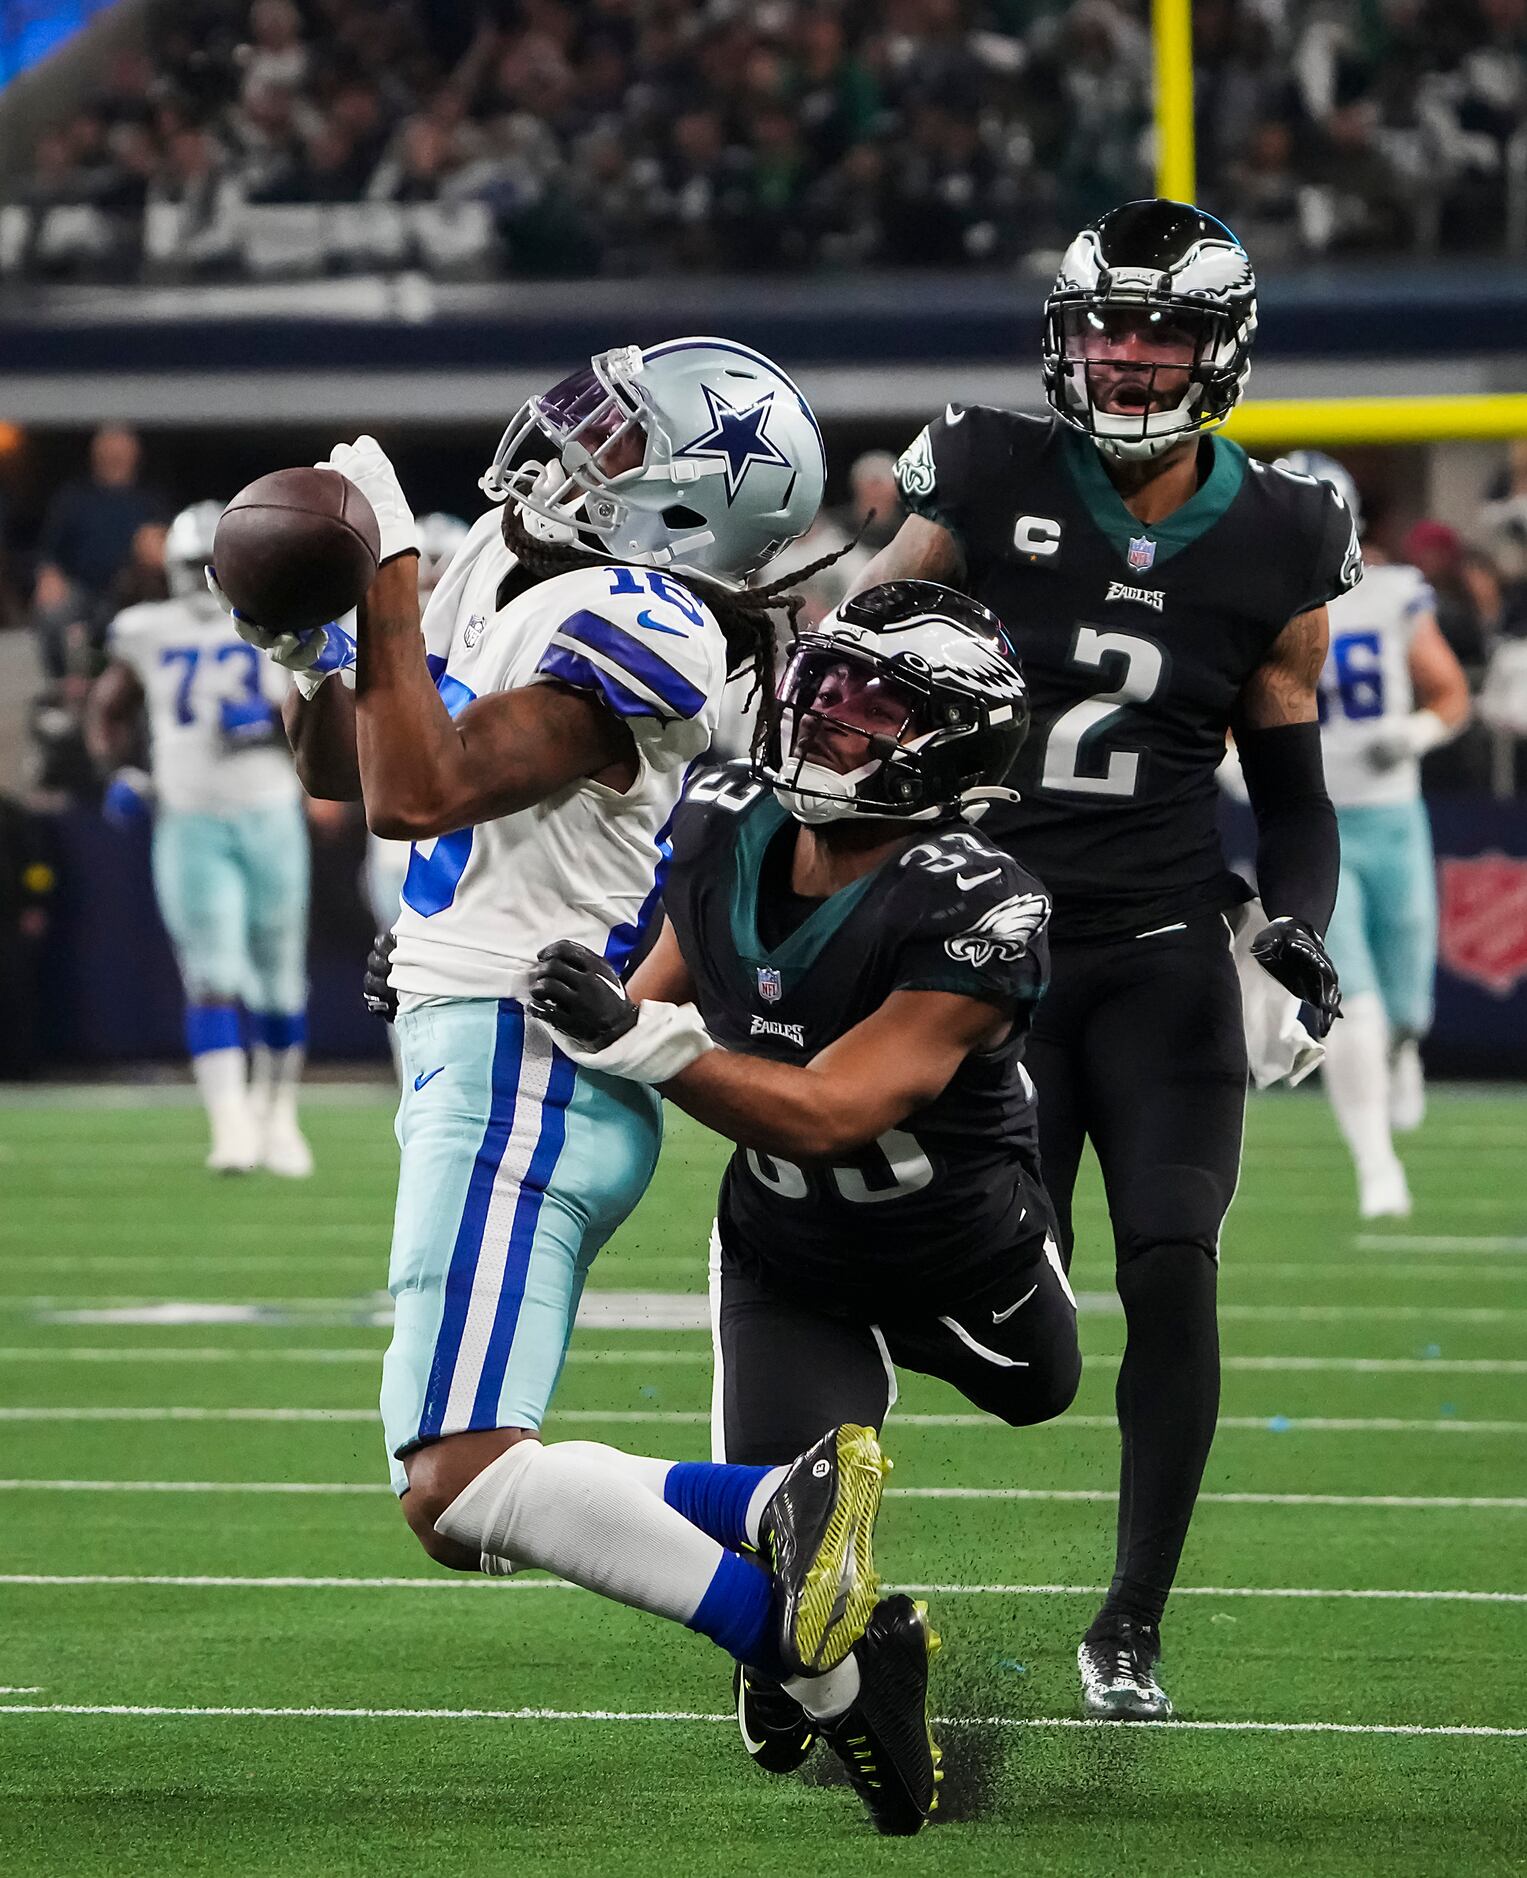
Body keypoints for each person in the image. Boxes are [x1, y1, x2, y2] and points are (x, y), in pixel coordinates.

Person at [223, 338, 928, 1830]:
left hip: (523, 1055)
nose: (565, 436)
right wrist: (309, 643)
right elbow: (346, 768)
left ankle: (810, 1642)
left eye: (615, 434)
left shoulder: (649, 621)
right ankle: (782, 1551)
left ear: (678, 506)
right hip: (470, 1040)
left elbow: (422, 788)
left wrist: (391, 584)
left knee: (457, 1478)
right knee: (455, 1474)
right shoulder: (517, 552)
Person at [857, 200, 1357, 1719]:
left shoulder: (1282, 532)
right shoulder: (986, 465)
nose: (1128, 357)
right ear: (1064, 335)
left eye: (1161, 333)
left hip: (1154, 954)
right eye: (1106, 328)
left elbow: (1290, 790)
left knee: (1172, 1265)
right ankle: (810, 1574)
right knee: (991, 1314)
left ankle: (1129, 1620)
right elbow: (846, 680)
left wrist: (1295, 924)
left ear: (1223, 351)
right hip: (973, 954)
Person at [528, 580, 1082, 1832]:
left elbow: (836, 1107)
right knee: (783, 1684)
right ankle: (836, 1657)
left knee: (1042, 1388)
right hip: (790, 1252)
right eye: (823, 689)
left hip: (956, 1248)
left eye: (874, 707)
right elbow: (638, 998)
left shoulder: (980, 900)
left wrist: (649, 1044)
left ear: (953, 744)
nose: (829, 719)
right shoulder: (724, 818)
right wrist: (469, 981)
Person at [87, 499, 313, 1175]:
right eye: (189, 564)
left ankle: (278, 1113)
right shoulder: (146, 629)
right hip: (188, 816)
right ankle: (231, 1122)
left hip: (270, 808)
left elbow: (325, 714)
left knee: (279, 978)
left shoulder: (282, 620)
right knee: (211, 974)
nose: (198, 578)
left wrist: (272, 723)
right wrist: (122, 768)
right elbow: (105, 708)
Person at [1279, 451, 1470, 1213]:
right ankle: (1374, 1165)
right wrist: (1236, 766)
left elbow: (1449, 693)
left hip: (1391, 816)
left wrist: (1417, 732)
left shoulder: (1391, 593)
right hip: (1309, 818)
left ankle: (1405, 1050)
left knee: (1403, 1004)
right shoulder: (1253, 599)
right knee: (1346, 992)